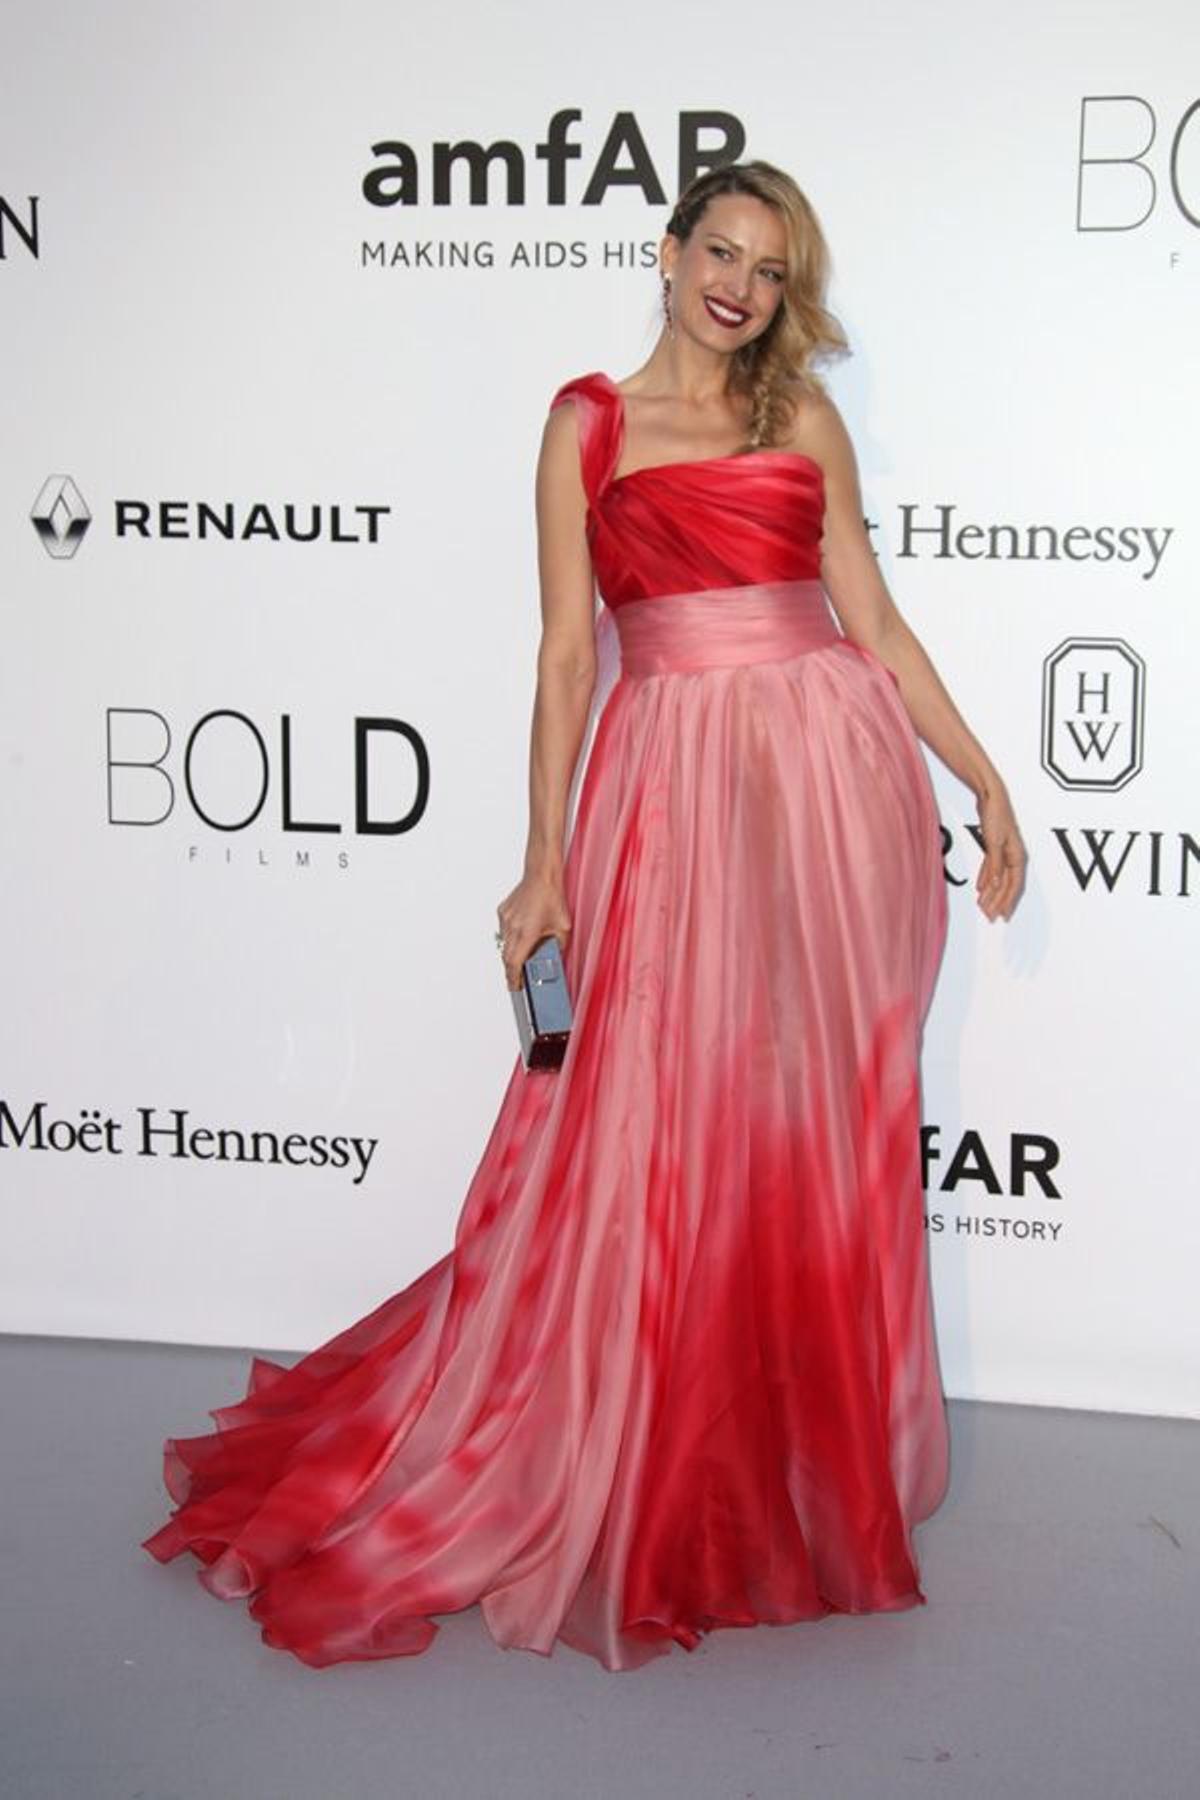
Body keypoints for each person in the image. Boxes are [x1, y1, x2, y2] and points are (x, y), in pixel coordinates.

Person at [142, 159, 1026, 1674]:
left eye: (768, 265)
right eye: (719, 251)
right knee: (645, 1121)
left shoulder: (797, 419)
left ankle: (797, 1459)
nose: (739, 285)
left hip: (825, 788)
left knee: (804, 1118)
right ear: (669, 250)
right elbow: (567, 658)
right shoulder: (588, 426)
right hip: (670, 793)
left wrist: (985, 777)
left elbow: (869, 618)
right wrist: (543, 860)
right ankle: (651, 1438)